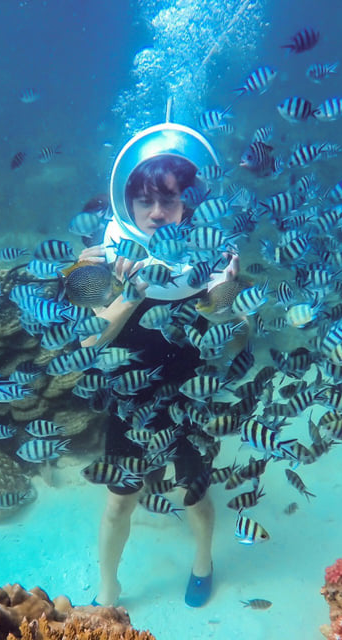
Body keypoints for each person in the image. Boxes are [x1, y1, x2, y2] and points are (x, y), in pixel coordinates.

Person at [78, 122, 239, 608]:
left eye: (169, 200)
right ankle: (108, 587)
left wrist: (225, 295)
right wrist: (128, 292)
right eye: (144, 200)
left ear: (189, 203)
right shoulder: (105, 256)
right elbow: (87, 341)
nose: (156, 212)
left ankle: (203, 564)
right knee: (118, 500)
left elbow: (230, 333)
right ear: (125, 203)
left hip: (189, 394)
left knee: (195, 494)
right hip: (130, 400)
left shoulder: (209, 255)